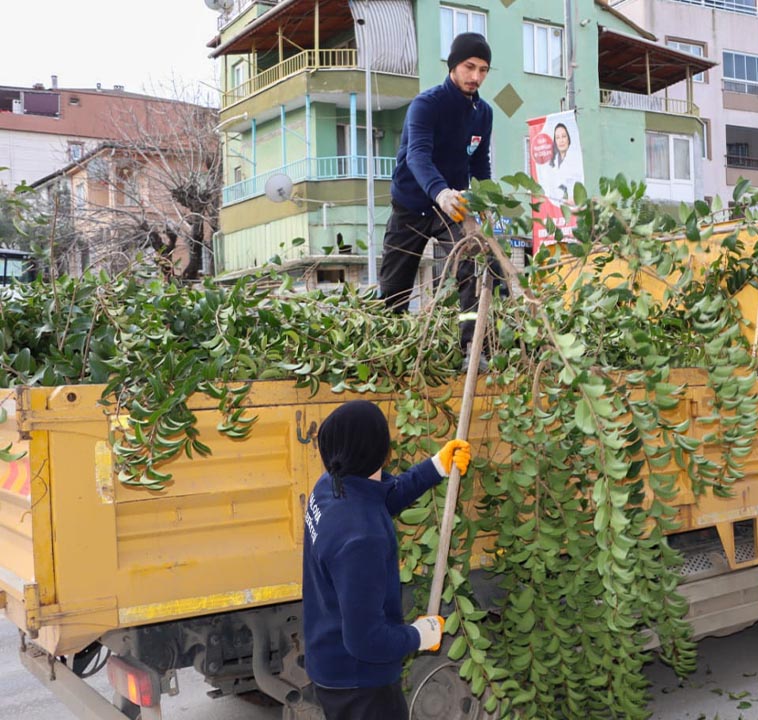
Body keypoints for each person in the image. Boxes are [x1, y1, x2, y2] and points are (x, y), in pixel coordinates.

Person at [302, 400, 472, 720]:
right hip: (360, 683)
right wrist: (419, 635)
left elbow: (381, 497)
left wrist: (436, 466)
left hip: (330, 660)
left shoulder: (330, 487)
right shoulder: (362, 539)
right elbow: (365, 640)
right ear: (382, 451)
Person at [380, 32, 495, 350]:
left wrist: (485, 200)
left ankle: (473, 346)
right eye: (469, 67)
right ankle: (391, 346)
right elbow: (417, 155)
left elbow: (480, 163)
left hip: (453, 207)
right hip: (411, 205)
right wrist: (440, 192)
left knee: (472, 263)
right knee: (393, 288)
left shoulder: (483, 113)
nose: (476, 77)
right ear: (453, 65)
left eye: (483, 70)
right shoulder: (426, 105)